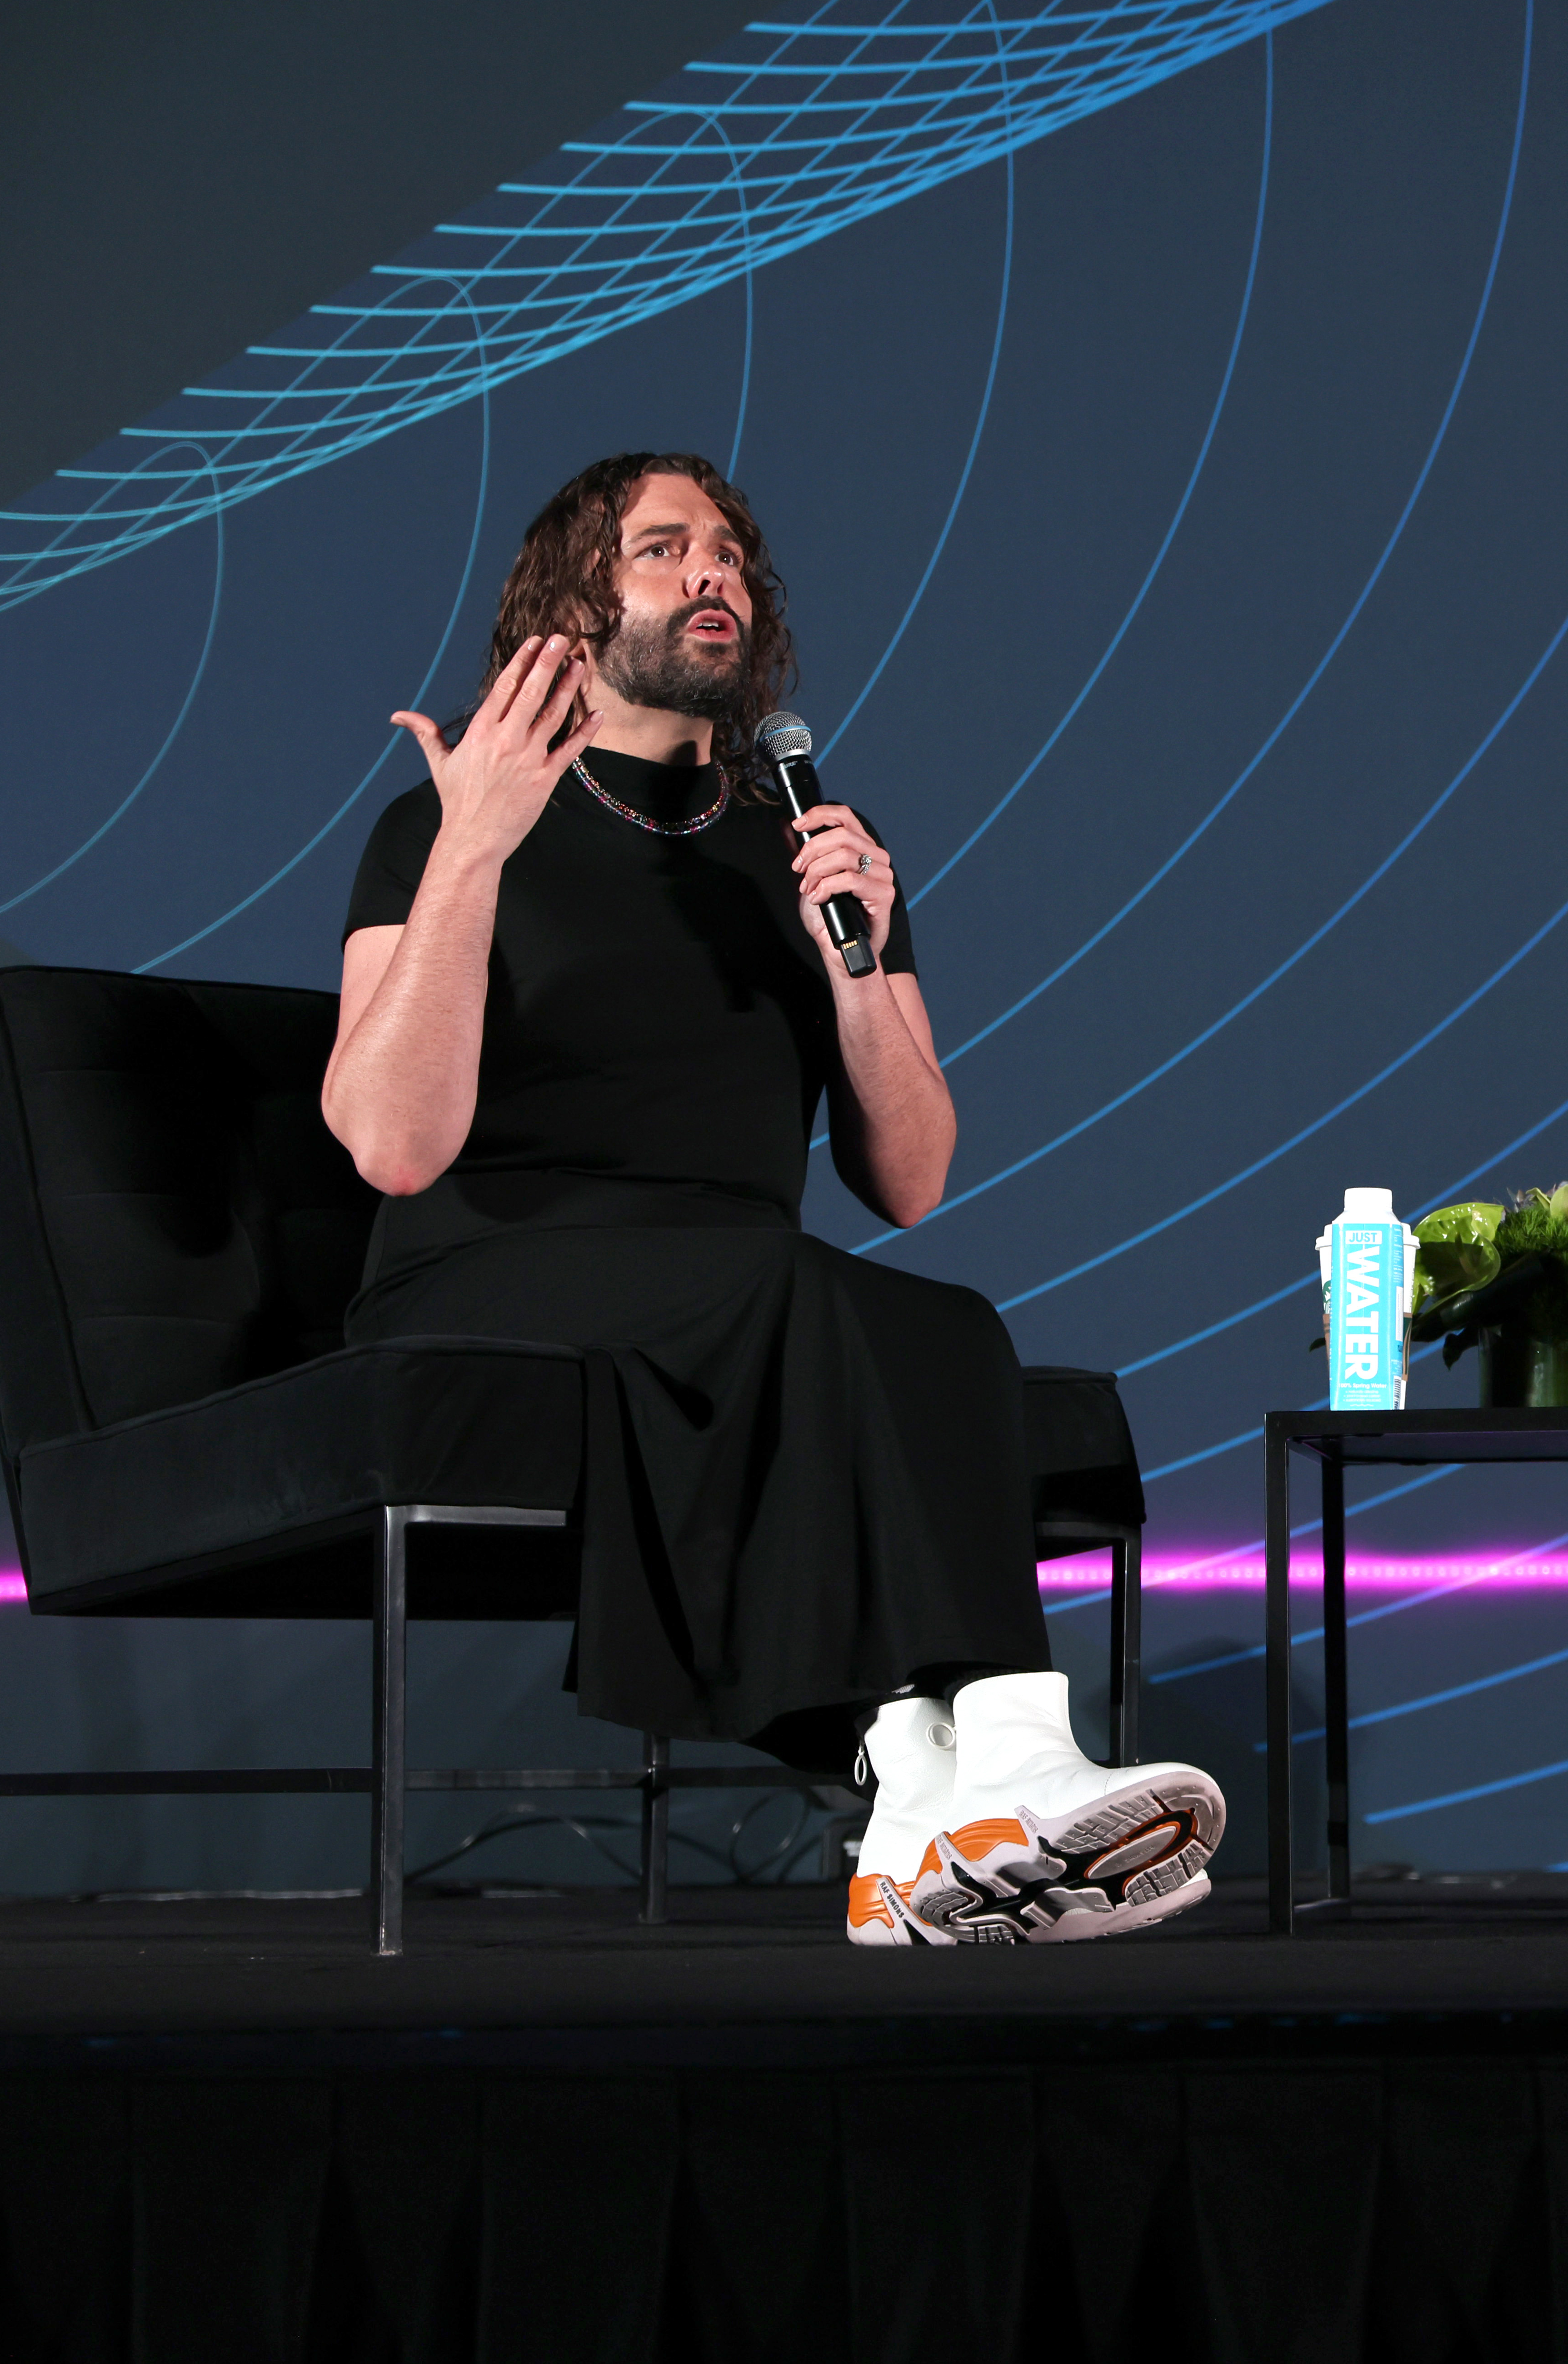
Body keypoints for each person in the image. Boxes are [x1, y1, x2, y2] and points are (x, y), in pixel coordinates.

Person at [324, 451, 1225, 1946]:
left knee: (943, 1319)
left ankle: (929, 1806)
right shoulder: (448, 819)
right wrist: (477, 840)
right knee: (807, 1300)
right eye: (666, 548)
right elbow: (390, 1145)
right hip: (488, 1264)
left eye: (733, 552)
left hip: (732, 1294)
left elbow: (914, 1182)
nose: (715, 575)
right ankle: (1006, 1749)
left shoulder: (803, 841)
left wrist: (853, 955)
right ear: (571, 601)